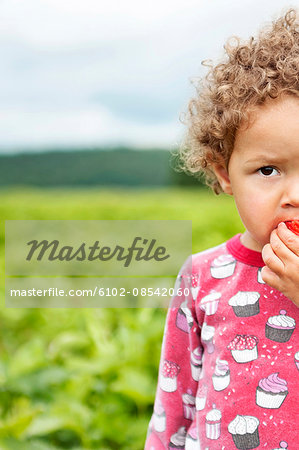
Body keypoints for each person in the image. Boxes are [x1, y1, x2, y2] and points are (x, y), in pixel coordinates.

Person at [144, 8, 299, 450]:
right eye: (268, 170)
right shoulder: (201, 276)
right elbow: (174, 402)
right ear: (225, 173)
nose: (295, 194)